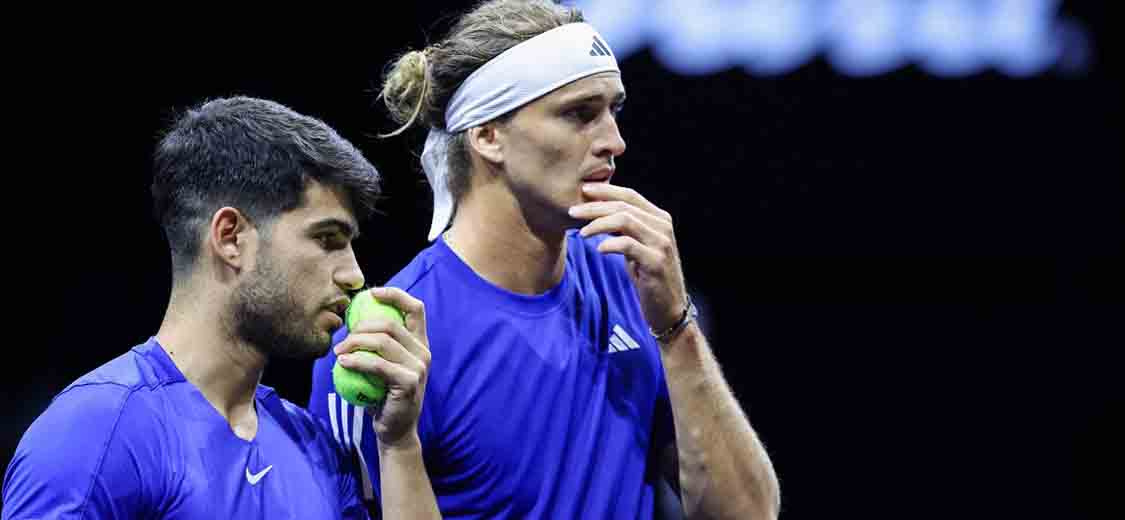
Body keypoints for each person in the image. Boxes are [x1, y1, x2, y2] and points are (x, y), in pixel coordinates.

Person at [309, 1, 780, 518]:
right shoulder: (385, 342)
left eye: (613, 110)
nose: (614, 142)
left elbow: (746, 512)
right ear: (488, 135)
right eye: (580, 114)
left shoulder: (628, 278)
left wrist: (676, 326)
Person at [2, 96, 434, 519]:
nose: (355, 275)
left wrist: (398, 443)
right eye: (327, 239)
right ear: (230, 238)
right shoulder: (94, 435)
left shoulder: (313, 446)